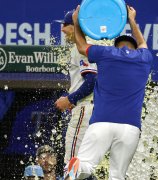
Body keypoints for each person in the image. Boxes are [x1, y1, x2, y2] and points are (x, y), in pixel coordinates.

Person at [64, 4, 153, 180]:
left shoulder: (107, 53)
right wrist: (132, 20)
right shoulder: (144, 58)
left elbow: (82, 46)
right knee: (118, 176)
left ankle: (79, 167)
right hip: (130, 127)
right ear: (134, 48)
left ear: (116, 45)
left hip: (101, 123)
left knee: (86, 165)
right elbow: (143, 42)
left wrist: (76, 21)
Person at [54, 10, 97, 165]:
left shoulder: (83, 46)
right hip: (93, 109)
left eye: (66, 25)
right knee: (84, 166)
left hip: (85, 109)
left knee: (72, 164)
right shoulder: (87, 45)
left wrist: (69, 99)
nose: (62, 29)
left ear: (75, 26)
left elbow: (92, 81)